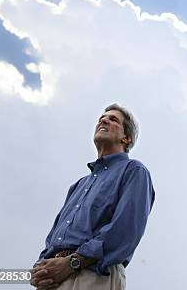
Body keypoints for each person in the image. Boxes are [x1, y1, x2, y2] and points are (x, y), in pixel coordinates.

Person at [30, 103, 155, 290]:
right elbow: (54, 237)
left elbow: (124, 230)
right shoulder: (78, 186)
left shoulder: (134, 171)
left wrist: (73, 262)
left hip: (93, 273)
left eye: (113, 119)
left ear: (126, 138)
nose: (103, 120)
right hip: (54, 277)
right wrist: (40, 269)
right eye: (101, 118)